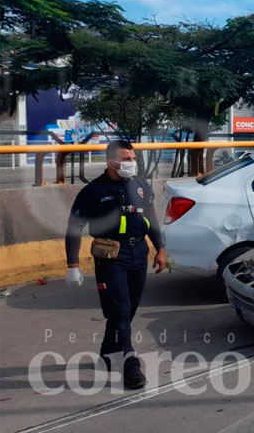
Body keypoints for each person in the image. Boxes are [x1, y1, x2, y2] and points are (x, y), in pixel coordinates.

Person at [65, 140, 167, 390]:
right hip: (111, 258)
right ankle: (130, 365)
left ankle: (108, 350)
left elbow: (151, 218)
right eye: (125, 159)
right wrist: (72, 264)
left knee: (128, 310)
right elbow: (74, 229)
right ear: (111, 162)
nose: (130, 163)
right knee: (120, 310)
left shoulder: (141, 185)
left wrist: (160, 248)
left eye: (132, 158)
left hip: (139, 254)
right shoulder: (93, 192)